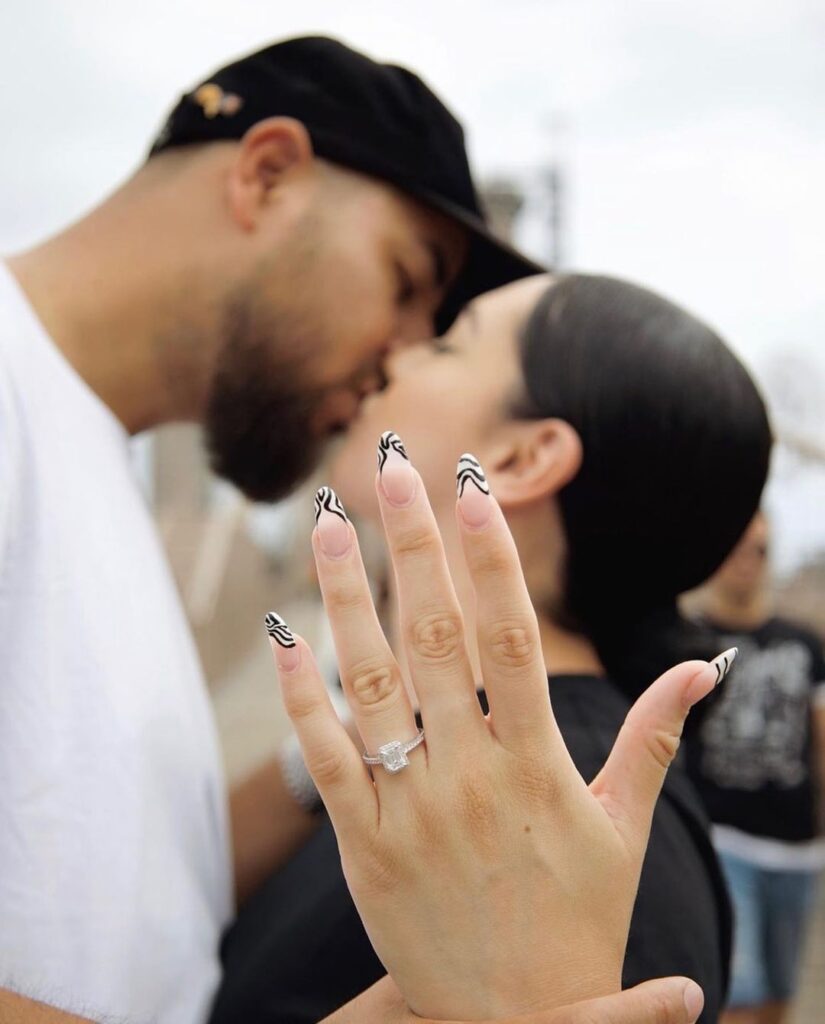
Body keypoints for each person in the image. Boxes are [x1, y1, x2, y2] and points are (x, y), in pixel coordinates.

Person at [0, 34, 548, 1023]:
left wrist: (366, 746)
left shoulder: (88, 453)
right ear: (266, 175)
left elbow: (136, 876)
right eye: (409, 277)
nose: (402, 358)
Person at [210, 273, 773, 1024]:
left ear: (519, 458)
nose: (395, 356)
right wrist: (341, 754)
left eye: (445, 345)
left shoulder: (586, 823)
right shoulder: (441, 767)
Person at [682, 511, 825, 1024]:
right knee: (740, 990)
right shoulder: (685, 640)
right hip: (721, 839)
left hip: (795, 847)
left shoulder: (804, 642)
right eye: (738, 547)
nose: (748, 561)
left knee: (777, 995)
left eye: (760, 549)